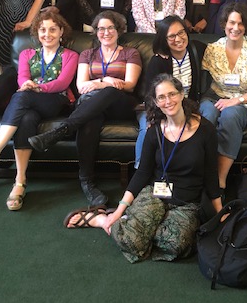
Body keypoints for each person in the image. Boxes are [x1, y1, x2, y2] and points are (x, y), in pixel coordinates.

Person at [63, 74, 222, 265]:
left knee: (176, 244)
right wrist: (119, 210)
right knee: (132, 240)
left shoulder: (205, 130)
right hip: (155, 194)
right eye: (161, 97)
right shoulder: (154, 131)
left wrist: (220, 213)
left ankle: (134, 222)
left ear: (181, 95)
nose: (168, 101)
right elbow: (143, 173)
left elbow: (211, 174)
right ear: (156, 102)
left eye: (172, 94)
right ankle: (103, 220)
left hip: (186, 201)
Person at [0, 10, 78, 210]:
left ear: (61, 32)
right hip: (30, 101)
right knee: (26, 118)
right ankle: (20, 181)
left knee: (22, 96)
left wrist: (37, 87)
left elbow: (61, 83)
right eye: (42, 30)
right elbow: (21, 78)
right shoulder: (27, 54)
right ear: (36, 32)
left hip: (55, 101)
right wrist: (28, 85)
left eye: (52, 29)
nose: (47, 34)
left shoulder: (70, 55)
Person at [28, 11, 142, 206]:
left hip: (121, 103)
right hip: (92, 105)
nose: (106, 32)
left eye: (110, 28)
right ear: (95, 32)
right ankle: (88, 182)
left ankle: (62, 130)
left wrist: (101, 83)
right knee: (90, 118)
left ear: (119, 30)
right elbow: (81, 86)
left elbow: (129, 85)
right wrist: (106, 80)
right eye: (101, 29)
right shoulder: (87, 54)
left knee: (111, 92)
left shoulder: (130, 53)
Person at [200, 2, 247, 191]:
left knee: (230, 115)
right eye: (231, 23)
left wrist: (238, 100)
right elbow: (199, 81)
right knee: (207, 116)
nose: (235, 28)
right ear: (224, 23)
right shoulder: (213, 49)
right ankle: (201, 173)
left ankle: (219, 179)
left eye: (240, 24)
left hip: (243, 102)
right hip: (214, 97)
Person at [134, 15, 206, 167]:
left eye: (181, 33)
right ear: (164, 39)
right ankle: (141, 173)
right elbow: (150, 95)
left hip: (190, 106)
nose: (178, 39)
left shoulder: (197, 50)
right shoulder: (159, 60)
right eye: (172, 36)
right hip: (162, 107)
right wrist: (157, 117)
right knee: (147, 128)